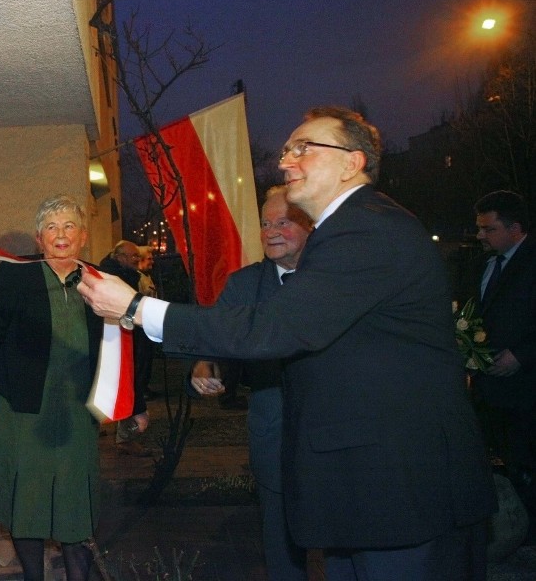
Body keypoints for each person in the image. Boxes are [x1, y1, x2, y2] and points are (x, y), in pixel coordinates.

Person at [78, 107, 497, 580]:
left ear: (351, 162)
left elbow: (275, 328)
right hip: (365, 487)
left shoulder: (368, 227)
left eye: (304, 148)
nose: (285, 161)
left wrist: (138, 309)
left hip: (398, 487)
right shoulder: (346, 230)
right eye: (286, 150)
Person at [0, 195, 101, 581]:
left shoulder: (99, 281)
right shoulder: (16, 276)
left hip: (77, 410)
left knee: (77, 503)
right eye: (52, 228)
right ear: (39, 239)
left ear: (83, 236)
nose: (61, 235)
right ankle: (33, 577)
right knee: (28, 503)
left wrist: (134, 402)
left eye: (69, 226)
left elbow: (124, 344)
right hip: (22, 410)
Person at [190, 185, 312, 581]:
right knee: (280, 536)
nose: (271, 231)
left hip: (333, 432)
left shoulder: (332, 280)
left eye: (283, 222)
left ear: (310, 226)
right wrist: (204, 365)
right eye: (264, 223)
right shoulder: (245, 284)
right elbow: (213, 332)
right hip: (273, 430)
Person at [472, 190, 536, 513]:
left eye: (489, 229)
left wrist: (522, 356)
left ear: (515, 228)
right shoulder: (484, 265)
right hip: (490, 392)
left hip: (525, 394)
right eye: (480, 228)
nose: (480, 235)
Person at [99, 240, 151, 456]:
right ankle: (125, 437)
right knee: (126, 384)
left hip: (128, 338)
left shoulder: (127, 276)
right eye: (133, 257)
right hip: (121, 340)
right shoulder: (116, 279)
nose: (137, 261)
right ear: (119, 257)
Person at [137, 246, 160, 400]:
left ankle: (144, 387)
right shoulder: (138, 278)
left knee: (147, 358)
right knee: (142, 359)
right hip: (142, 325)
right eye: (149, 259)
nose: (152, 262)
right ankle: (141, 389)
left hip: (149, 323)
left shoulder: (146, 276)